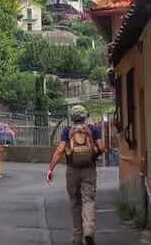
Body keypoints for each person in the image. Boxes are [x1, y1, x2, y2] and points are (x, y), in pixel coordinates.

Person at [47, 105, 105, 245]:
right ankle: (89, 231)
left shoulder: (67, 130)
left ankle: (77, 237)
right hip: (89, 170)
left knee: (75, 203)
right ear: (85, 116)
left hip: (72, 170)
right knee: (88, 200)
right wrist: (94, 153)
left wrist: (51, 169)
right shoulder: (93, 130)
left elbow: (60, 149)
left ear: (71, 117)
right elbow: (102, 147)